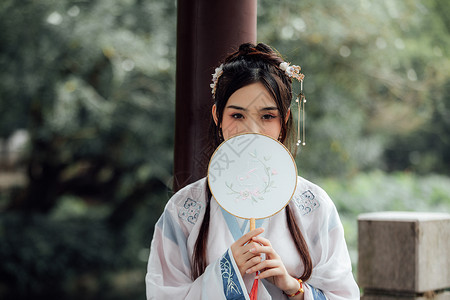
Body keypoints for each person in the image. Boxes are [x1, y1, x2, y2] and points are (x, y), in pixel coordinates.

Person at [146, 43, 360, 299]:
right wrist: (227, 271)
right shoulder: (183, 209)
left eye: (267, 116)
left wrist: (293, 287)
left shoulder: (314, 205)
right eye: (237, 116)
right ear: (218, 117)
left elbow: (344, 294)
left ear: (285, 121)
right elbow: (162, 294)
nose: (252, 130)